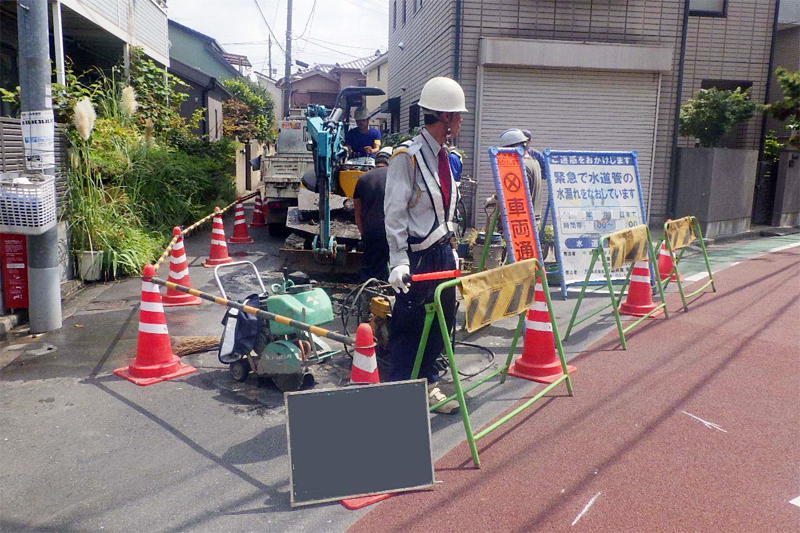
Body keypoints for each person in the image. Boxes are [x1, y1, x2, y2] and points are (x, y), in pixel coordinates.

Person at [384, 76, 465, 414]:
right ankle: (400, 397)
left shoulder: (446, 157)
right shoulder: (408, 156)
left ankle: (428, 384)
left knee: (443, 323)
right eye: (457, 115)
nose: (461, 120)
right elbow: (395, 211)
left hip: (443, 253)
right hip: (417, 259)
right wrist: (397, 259)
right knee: (410, 328)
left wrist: (454, 247)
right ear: (444, 117)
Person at [353, 146, 393, 282]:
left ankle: (368, 296)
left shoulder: (363, 179)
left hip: (371, 230)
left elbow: (357, 209)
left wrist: (362, 232)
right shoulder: (396, 177)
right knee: (395, 266)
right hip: (392, 229)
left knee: (370, 269)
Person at [499, 128, 543, 225]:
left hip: (522, 221)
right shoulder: (534, 162)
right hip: (533, 220)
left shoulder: (521, 167)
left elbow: (514, 195)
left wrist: (495, 198)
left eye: (506, 150)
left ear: (514, 147)